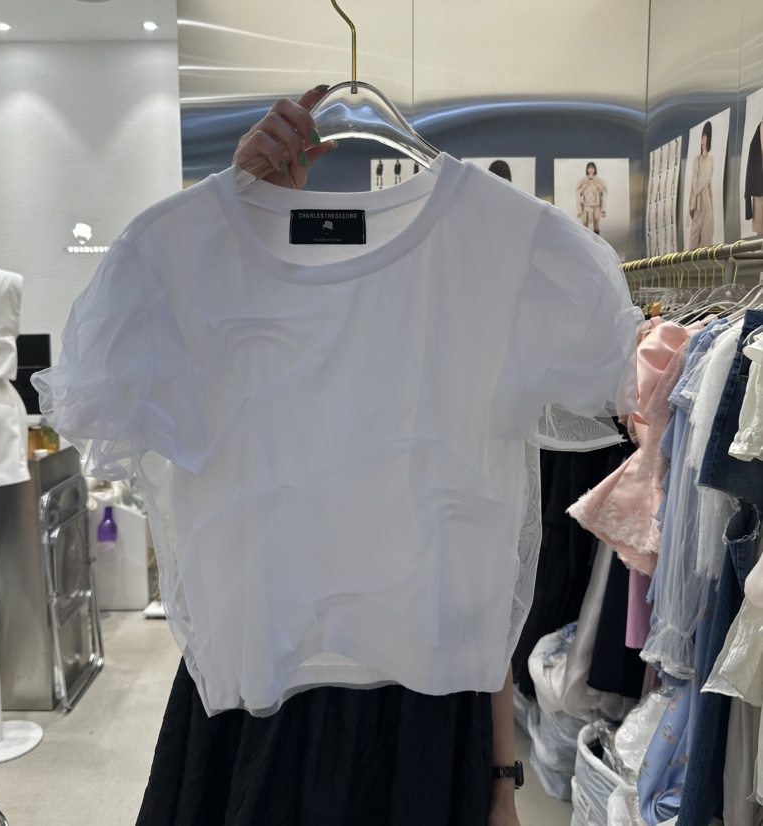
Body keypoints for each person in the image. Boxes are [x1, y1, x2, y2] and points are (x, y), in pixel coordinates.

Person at [135, 87, 523, 826]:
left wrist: (503, 779)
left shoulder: (490, 256)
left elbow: (487, 576)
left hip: (424, 706)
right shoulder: (194, 256)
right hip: (255, 704)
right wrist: (232, 211)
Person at [689, 121, 714, 248]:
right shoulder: (696, 161)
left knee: (706, 242)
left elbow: (710, 186)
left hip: (707, 203)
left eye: (706, 137)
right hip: (698, 204)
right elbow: (695, 185)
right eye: (702, 137)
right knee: (693, 241)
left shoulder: (711, 160)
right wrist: (704, 178)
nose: (703, 140)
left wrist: (711, 207)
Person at [576, 162, 607, 235]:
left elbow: (604, 193)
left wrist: (600, 188)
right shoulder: (582, 181)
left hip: (596, 206)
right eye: (589, 168)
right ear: (587, 169)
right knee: (585, 226)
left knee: (596, 226)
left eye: (592, 168)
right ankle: (585, 241)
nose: (591, 170)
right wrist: (582, 188)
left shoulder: (599, 181)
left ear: (595, 169)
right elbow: (577, 193)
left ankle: (596, 241)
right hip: (586, 206)